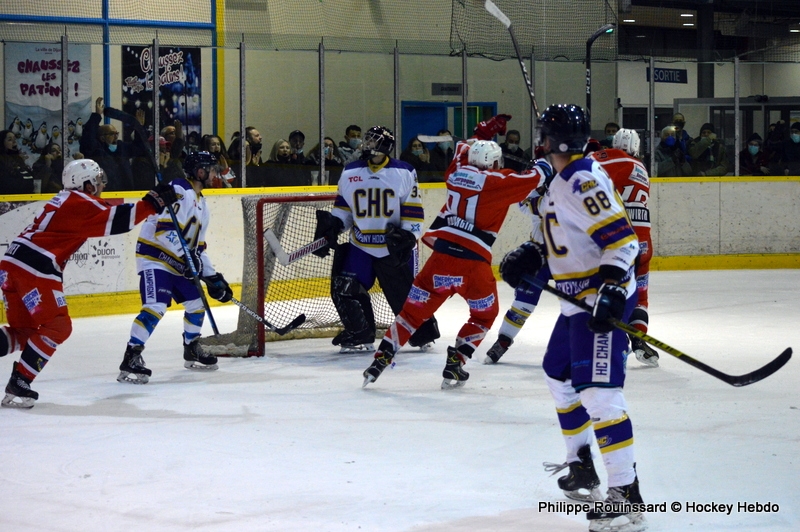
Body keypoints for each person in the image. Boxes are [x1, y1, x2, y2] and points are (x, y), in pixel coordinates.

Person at [498, 104, 645, 532]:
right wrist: (533, 253)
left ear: (547, 139)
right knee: (558, 376)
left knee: (599, 395)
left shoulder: (581, 179)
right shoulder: (566, 178)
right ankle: (581, 465)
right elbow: (568, 236)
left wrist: (613, 290)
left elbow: (623, 241)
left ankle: (626, 494)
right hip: (573, 303)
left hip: (595, 302)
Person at [362, 114, 552, 389]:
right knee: (484, 315)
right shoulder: (500, 182)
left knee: (411, 315)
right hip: (473, 267)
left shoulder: (455, 174)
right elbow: (537, 176)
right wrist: (545, 157)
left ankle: (382, 357)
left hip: (439, 260)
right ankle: (457, 361)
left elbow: (463, 149)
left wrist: (480, 133)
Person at [0, 159, 176, 407]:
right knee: (59, 326)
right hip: (34, 267)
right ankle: (20, 382)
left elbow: (109, 210)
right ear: (86, 184)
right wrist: (152, 203)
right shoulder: (79, 202)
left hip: (12, 264)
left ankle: (20, 380)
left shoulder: (67, 201)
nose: (101, 184)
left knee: (24, 332)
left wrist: (151, 201)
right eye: (97, 180)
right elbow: (117, 219)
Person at [312, 125, 439, 353]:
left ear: (383, 146)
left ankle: (422, 333)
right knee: (344, 288)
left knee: (404, 295)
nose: (366, 144)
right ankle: (360, 334)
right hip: (360, 245)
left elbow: (413, 211)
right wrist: (333, 226)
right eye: (367, 140)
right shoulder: (350, 171)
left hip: (392, 247)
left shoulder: (404, 171)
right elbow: (344, 209)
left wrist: (409, 235)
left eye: (372, 141)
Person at [117, 151, 233, 385]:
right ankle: (131, 356)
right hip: (155, 258)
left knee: (197, 303)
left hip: (179, 263)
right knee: (156, 307)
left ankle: (191, 347)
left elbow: (198, 247)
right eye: (211, 169)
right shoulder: (179, 189)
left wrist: (213, 277)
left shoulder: (203, 204)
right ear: (199, 171)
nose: (215, 174)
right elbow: (164, 231)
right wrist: (188, 257)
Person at [588, 128, 658, 367]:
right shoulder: (642, 168)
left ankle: (610, 345)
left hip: (619, 241)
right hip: (644, 242)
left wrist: (588, 152)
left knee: (607, 292)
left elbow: (584, 170)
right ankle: (638, 339)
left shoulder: (612, 157)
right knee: (640, 295)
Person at [79, 97, 147, 191]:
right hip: (106, 193)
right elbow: (88, 138)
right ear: (102, 137)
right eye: (112, 134)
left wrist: (139, 127)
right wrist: (97, 115)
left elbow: (140, 148)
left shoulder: (122, 147)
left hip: (126, 193)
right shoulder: (97, 150)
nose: (116, 136)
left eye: (116, 133)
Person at [0, 129, 35, 194]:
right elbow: (7, 184)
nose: (14, 142)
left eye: (15, 139)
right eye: (10, 140)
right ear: (2, 143)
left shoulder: (19, 160)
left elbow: (31, 182)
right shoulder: (2, 161)